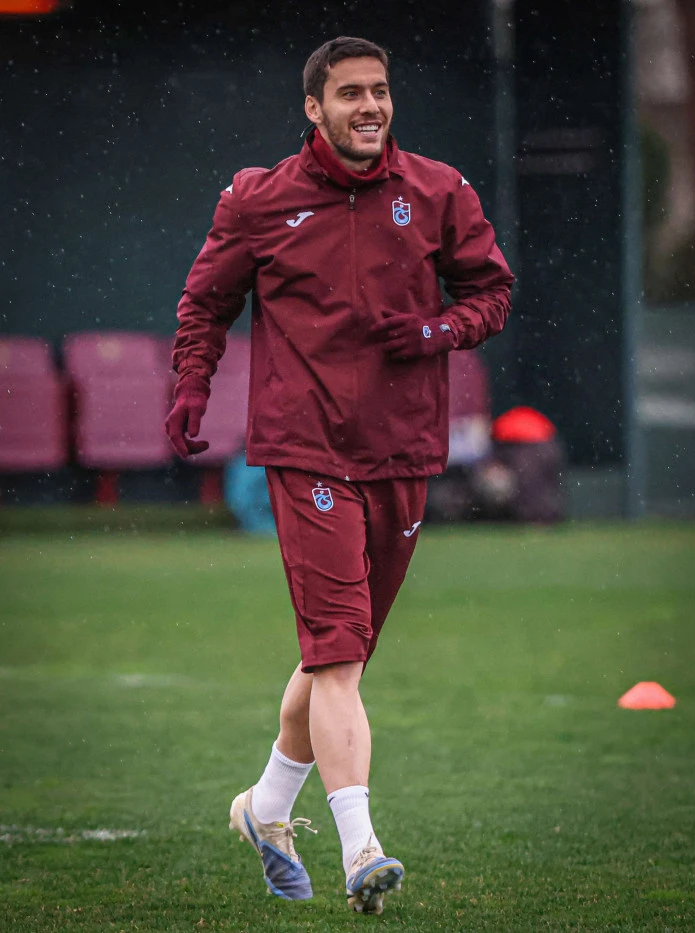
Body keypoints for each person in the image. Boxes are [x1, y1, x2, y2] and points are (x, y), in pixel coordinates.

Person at [165, 35, 514, 915]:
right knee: (338, 651)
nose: (370, 106)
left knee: (339, 658)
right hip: (305, 448)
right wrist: (191, 384)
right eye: (351, 93)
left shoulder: (438, 190)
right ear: (313, 109)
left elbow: (491, 293)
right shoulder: (259, 199)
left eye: (380, 90)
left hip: (402, 451)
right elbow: (206, 302)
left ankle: (265, 806)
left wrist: (437, 331)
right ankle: (362, 845)